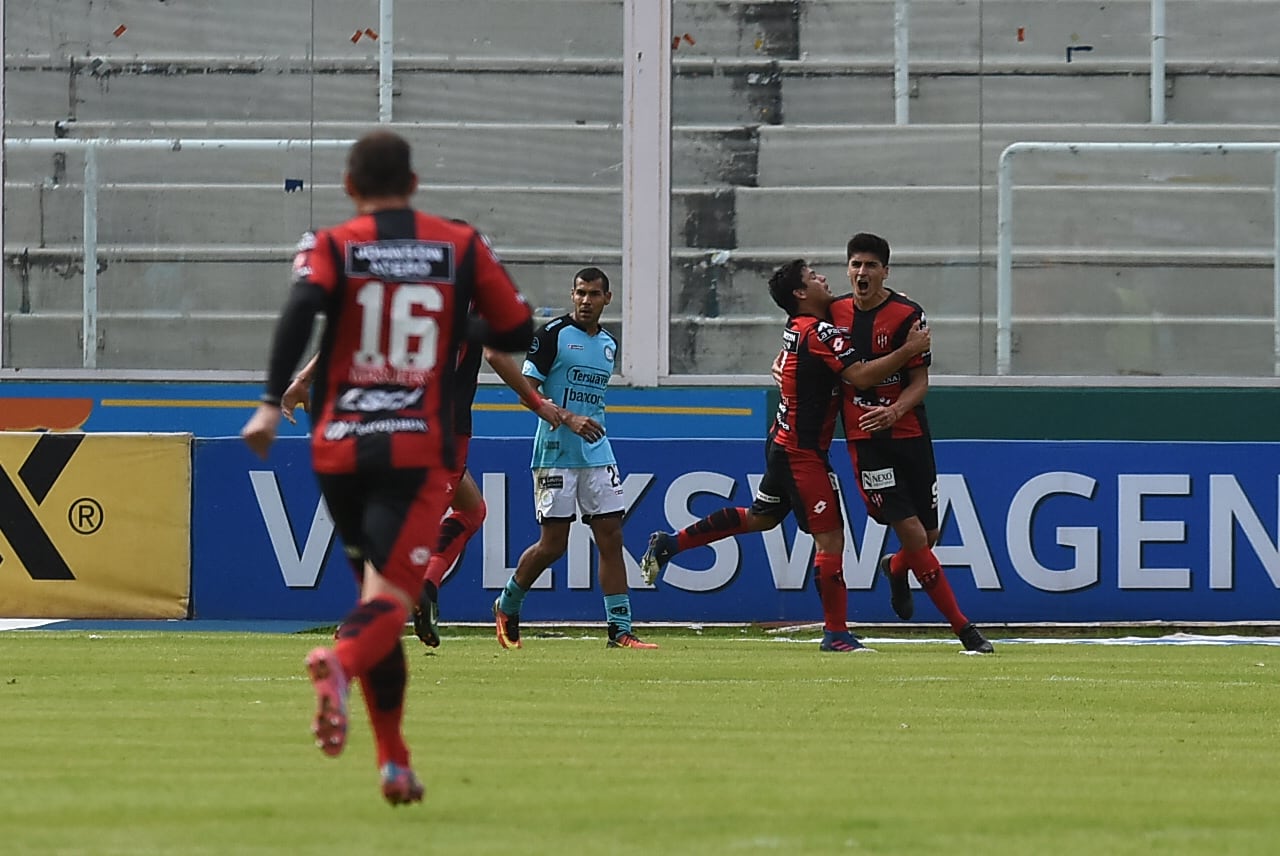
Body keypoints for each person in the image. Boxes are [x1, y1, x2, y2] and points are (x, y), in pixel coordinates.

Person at [241, 129, 535, 805]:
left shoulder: (330, 244)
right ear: (415, 181)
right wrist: (462, 330)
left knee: (379, 597)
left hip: (339, 446)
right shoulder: (458, 244)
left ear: (349, 185)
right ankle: (339, 664)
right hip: (412, 445)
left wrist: (267, 401)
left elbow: (300, 312)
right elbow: (518, 330)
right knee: (389, 603)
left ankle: (394, 761)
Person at [641, 259, 931, 652]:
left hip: (782, 441)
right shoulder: (821, 332)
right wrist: (910, 348)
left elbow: (800, 356)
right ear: (800, 293)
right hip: (801, 453)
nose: (823, 279)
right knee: (830, 541)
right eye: (813, 277)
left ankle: (671, 544)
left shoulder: (799, 328)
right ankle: (836, 633)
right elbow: (861, 376)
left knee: (762, 517)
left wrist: (894, 303)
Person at [282, 345, 561, 651]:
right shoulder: (470, 300)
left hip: (396, 421)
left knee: (471, 510)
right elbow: (495, 353)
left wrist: (306, 379)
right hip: (443, 429)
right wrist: (536, 402)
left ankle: (425, 586)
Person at [831, 232, 994, 654]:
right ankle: (965, 631)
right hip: (867, 441)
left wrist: (895, 410)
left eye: (870, 265)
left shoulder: (907, 315)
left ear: (885, 271)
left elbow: (921, 383)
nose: (861, 273)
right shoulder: (834, 315)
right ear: (847, 269)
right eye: (855, 264)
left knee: (929, 533)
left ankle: (895, 567)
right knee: (912, 533)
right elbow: (806, 343)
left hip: (908, 432)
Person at [492, 267, 659, 650]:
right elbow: (527, 391)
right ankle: (507, 603)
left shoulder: (608, 345)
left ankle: (620, 630)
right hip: (555, 452)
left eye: (594, 294)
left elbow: (591, 400)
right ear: (572, 295)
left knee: (611, 536)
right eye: (580, 293)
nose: (586, 300)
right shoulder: (551, 336)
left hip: (597, 451)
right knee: (553, 545)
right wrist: (567, 417)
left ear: (607, 299)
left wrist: (584, 419)